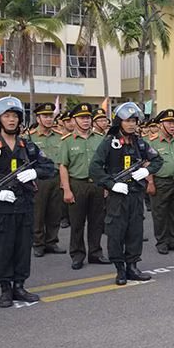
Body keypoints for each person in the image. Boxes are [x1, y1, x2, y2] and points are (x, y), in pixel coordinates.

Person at [0, 97, 54, 307]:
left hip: (25, 205)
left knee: (23, 247)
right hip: (1, 208)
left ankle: (19, 286)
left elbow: (49, 167)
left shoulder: (28, 146)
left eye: (15, 116)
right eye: (7, 116)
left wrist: (34, 171)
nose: (11, 120)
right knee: (3, 249)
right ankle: (5, 289)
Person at [90, 103, 162, 285]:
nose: (131, 124)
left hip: (136, 194)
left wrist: (146, 172)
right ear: (119, 122)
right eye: (127, 121)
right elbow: (95, 168)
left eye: (134, 121)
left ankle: (132, 266)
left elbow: (158, 160)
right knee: (116, 232)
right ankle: (120, 269)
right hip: (118, 195)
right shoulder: (109, 143)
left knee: (135, 231)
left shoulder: (139, 143)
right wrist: (111, 184)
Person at [58, 103, 108, 270]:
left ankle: (95, 253)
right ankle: (77, 255)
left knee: (97, 222)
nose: (86, 121)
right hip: (77, 184)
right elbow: (63, 166)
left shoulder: (100, 139)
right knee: (77, 223)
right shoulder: (66, 141)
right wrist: (66, 189)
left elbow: (105, 164)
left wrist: (106, 185)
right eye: (81, 118)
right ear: (73, 120)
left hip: (97, 185)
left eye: (88, 117)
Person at [146, 109, 174, 254]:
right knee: (160, 214)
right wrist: (150, 182)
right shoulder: (152, 142)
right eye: (169, 123)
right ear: (160, 125)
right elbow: (147, 164)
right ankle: (162, 242)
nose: (172, 126)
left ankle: (173, 240)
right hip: (160, 181)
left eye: (173, 123)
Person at [29, 102, 66, 258]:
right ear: (38, 118)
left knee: (54, 212)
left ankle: (51, 242)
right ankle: (38, 243)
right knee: (38, 213)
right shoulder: (29, 137)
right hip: (38, 180)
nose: (49, 119)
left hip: (56, 178)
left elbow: (64, 161)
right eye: (45, 116)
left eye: (51, 116)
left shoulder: (60, 136)